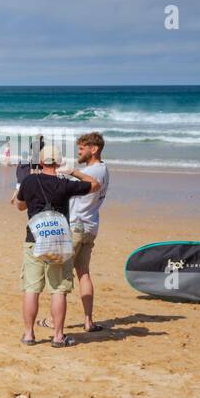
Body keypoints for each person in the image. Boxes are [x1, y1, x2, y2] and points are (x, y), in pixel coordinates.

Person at [14, 145, 104, 347]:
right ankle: (58, 336)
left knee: (31, 289)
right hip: (59, 243)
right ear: (58, 162)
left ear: (40, 161)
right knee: (58, 289)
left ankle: (29, 335)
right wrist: (73, 171)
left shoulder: (29, 181)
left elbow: (20, 206)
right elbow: (95, 184)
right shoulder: (65, 184)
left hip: (33, 240)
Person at [68, 131, 110, 333]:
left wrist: (70, 172)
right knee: (83, 273)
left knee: (62, 275)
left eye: (82, 148)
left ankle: (54, 319)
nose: (79, 151)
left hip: (77, 225)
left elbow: (72, 188)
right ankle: (88, 321)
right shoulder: (102, 169)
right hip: (91, 225)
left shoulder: (93, 172)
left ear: (94, 149)